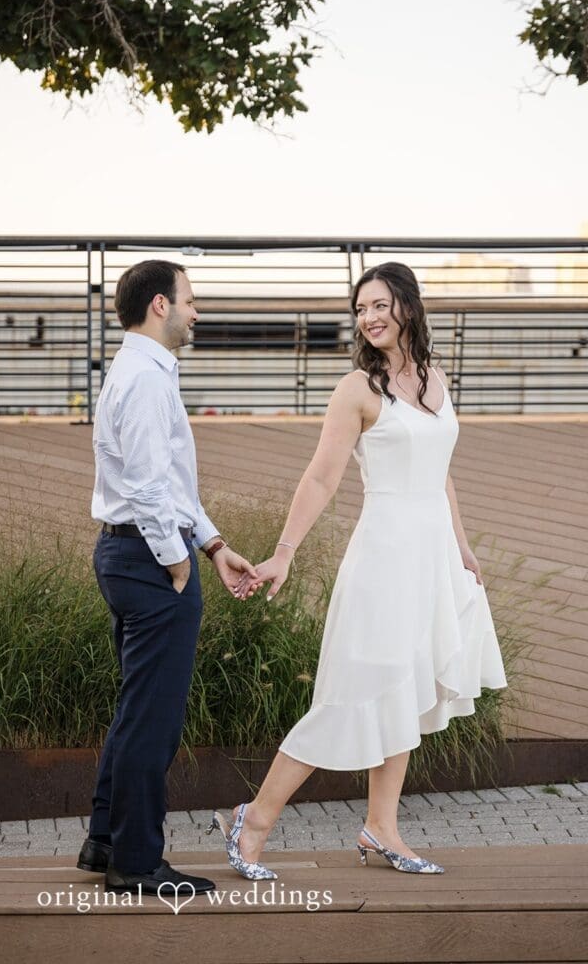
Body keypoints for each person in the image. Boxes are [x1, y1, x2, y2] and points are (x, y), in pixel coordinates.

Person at [207, 261, 508, 879]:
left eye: (379, 305)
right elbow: (322, 475)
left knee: (405, 687)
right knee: (351, 694)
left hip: (431, 558)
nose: (369, 318)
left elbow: (441, 471)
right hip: (383, 557)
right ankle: (254, 819)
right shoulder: (357, 389)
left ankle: (381, 828)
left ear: (408, 307)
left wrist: (462, 546)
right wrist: (284, 553)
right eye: (360, 309)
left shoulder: (434, 378)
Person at [77, 259, 261, 896]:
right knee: (153, 718)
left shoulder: (134, 371)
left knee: (136, 707)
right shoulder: (148, 380)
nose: (196, 311)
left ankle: (105, 840)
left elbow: (168, 483)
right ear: (161, 305)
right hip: (151, 563)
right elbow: (151, 487)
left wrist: (211, 543)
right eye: (191, 299)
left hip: (129, 555)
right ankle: (136, 861)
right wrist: (178, 559)